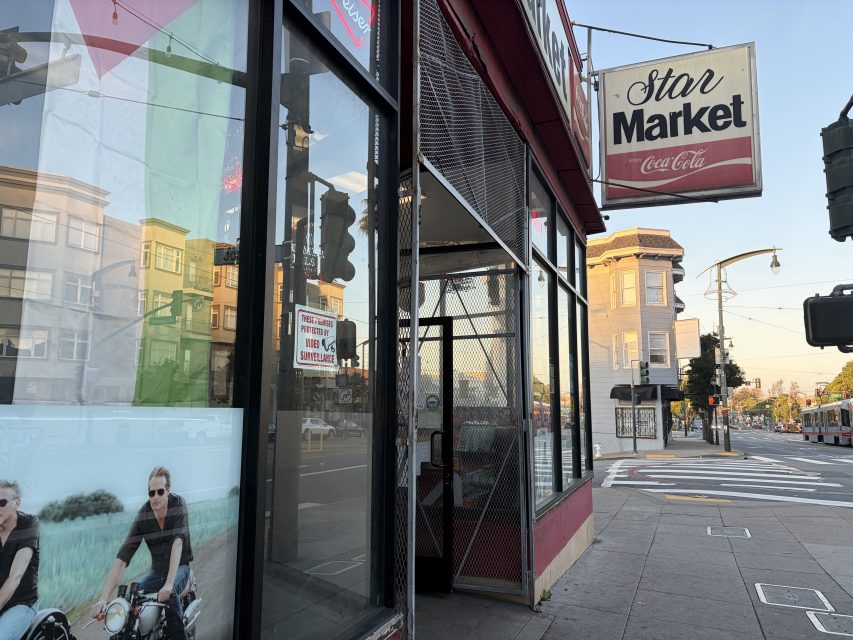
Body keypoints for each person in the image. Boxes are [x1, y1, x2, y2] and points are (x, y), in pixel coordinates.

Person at [90, 467, 193, 640]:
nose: (156, 497)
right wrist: (103, 599)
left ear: (168, 490)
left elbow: (177, 543)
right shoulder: (143, 515)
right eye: (151, 493)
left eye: (160, 492)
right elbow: (123, 558)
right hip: (157, 571)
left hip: (180, 568)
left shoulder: (178, 504)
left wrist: (168, 584)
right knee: (129, 603)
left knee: (171, 594)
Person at [0, 480, 39, 640]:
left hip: (21, 604)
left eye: (2, 502)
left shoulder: (28, 524)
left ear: (17, 503)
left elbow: (15, 576)